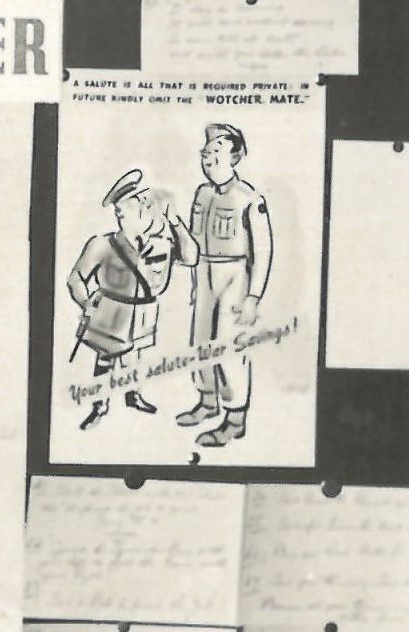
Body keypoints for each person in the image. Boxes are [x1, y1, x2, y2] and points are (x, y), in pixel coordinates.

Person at [182, 119, 275, 447]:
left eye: (217, 150)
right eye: (206, 151)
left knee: (230, 347)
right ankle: (208, 402)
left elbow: (263, 251)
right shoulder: (202, 193)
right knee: (199, 343)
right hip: (205, 275)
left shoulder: (249, 198)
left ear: (237, 156)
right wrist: (194, 279)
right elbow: (194, 241)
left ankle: (235, 419)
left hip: (235, 276)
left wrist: (253, 297)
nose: (208, 157)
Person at [65, 168, 180, 424]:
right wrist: (85, 302)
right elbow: (75, 278)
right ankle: (100, 404)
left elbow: (189, 257)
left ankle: (133, 395)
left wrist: (175, 223)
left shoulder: (158, 243)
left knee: (134, 357)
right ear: (121, 213)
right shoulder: (102, 245)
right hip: (111, 313)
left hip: (142, 313)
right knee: (105, 359)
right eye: (136, 206)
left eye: (145, 205)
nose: (145, 210)